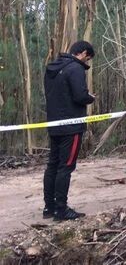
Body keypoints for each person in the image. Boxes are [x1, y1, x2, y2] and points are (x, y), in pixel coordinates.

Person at [43, 40, 96, 221]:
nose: (86, 62)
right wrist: (90, 98)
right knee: (65, 167)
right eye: (87, 58)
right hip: (71, 126)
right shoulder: (75, 69)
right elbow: (79, 95)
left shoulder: (52, 68)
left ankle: (49, 207)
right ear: (81, 53)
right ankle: (61, 210)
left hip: (54, 123)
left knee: (53, 165)